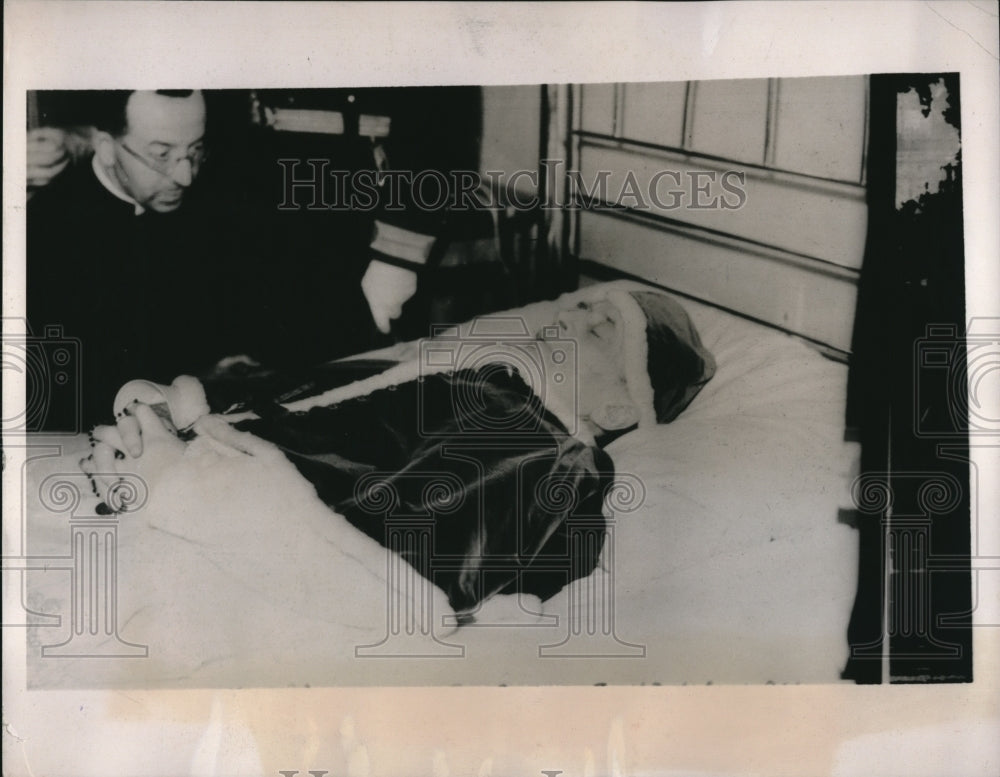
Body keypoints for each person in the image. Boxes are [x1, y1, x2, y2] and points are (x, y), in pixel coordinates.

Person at [82, 287, 716, 614]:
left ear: (618, 409)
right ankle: (173, 472)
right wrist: (203, 426)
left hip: (315, 544)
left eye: (600, 328)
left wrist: (197, 481)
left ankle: (176, 486)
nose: (573, 315)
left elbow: (412, 549)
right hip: (269, 489)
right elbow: (335, 425)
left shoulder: (559, 460)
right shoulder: (486, 384)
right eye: (582, 304)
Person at [25, 89, 451, 432]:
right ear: (105, 146)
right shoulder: (50, 228)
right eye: (160, 155)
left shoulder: (201, 201)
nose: (184, 174)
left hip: (213, 417)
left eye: (194, 152)